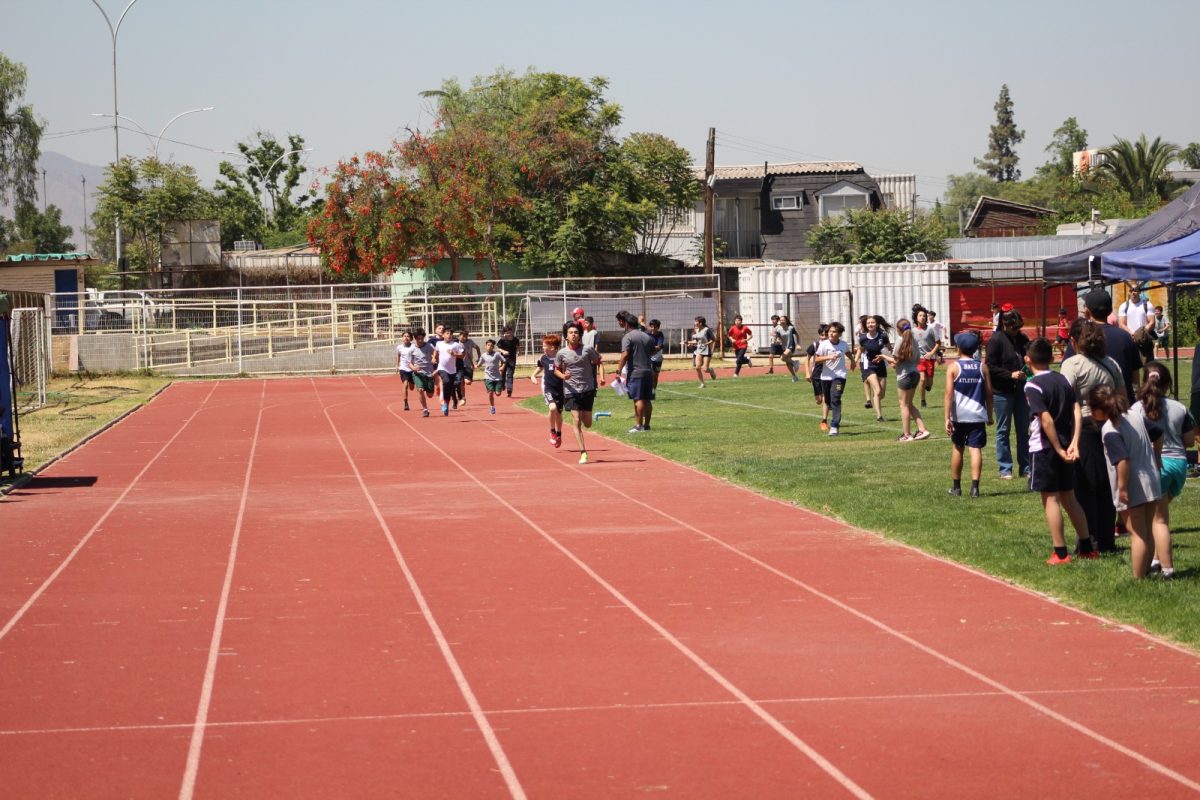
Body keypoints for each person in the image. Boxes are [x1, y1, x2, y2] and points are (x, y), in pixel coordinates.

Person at [1024, 337, 1094, 564]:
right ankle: (1086, 547)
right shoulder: (1063, 379)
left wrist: (1057, 448)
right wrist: (1073, 442)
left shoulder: (1032, 385)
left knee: (1051, 499)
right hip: (1066, 442)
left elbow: (1045, 419)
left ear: (1028, 360)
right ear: (1052, 357)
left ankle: (1060, 552)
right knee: (1070, 498)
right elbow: (1076, 409)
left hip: (1044, 448)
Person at [1061, 318, 1125, 555]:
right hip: (1110, 424)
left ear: (1074, 341)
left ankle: (1091, 540)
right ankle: (1107, 539)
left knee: (1085, 487)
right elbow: (1122, 397)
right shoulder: (1111, 363)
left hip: (1084, 427)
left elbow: (1066, 400)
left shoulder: (1072, 365)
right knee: (1108, 484)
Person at [1091, 384, 1163, 579]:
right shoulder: (1134, 415)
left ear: (1098, 410)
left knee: (1136, 534)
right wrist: (1156, 458)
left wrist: (1122, 488)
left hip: (1133, 484)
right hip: (1151, 479)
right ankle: (1146, 571)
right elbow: (1158, 432)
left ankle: (1138, 579)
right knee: (1147, 530)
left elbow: (1122, 460)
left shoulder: (1110, 429)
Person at [1135, 362, 1195, 578]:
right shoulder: (1179, 407)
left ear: (1144, 383)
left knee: (1158, 520)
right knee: (1159, 514)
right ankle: (1155, 559)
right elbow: (1189, 441)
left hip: (1156, 464)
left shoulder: (1137, 408)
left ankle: (1168, 570)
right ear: (1168, 383)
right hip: (1178, 466)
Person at [1064, 288, 1142, 402]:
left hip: (1092, 408)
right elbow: (1135, 378)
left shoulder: (1080, 338)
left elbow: (1068, 376)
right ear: (1110, 311)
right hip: (1122, 405)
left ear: (1087, 311)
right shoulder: (1125, 337)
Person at [944, 331, 992, 496]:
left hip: (959, 416)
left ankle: (956, 487)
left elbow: (948, 395)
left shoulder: (953, 367)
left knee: (958, 447)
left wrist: (946, 418)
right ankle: (975, 488)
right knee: (975, 449)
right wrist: (990, 415)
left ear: (958, 349)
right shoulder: (982, 366)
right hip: (977, 416)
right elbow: (989, 393)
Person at [985, 307, 1030, 480]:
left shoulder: (1022, 339)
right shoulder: (996, 341)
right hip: (1002, 392)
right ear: (1005, 325)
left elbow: (1030, 355)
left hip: (1021, 391)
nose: (1017, 330)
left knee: (1023, 430)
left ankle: (1025, 467)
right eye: (1014, 327)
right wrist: (1010, 375)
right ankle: (1005, 468)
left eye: (1019, 326)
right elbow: (990, 366)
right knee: (1003, 430)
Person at [554, 323, 604, 464]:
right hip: (571, 390)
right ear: (566, 336)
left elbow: (599, 362)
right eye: (570, 332)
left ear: (580, 335)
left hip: (587, 389)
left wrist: (602, 377)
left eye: (576, 332)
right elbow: (556, 369)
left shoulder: (588, 350)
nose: (573, 334)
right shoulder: (561, 353)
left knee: (587, 423)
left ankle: (584, 416)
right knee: (576, 420)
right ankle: (583, 452)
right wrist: (564, 376)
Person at [879, 318, 930, 441]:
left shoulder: (899, 341)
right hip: (915, 374)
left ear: (898, 329)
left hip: (904, 376)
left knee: (904, 405)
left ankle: (906, 435)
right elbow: (918, 360)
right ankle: (922, 430)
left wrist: (883, 356)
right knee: (909, 403)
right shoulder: (914, 341)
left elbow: (896, 360)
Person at [615, 310, 656, 433]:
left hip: (636, 373)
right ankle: (647, 426)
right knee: (647, 399)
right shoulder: (647, 336)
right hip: (648, 371)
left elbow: (625, 354)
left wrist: (618, 370)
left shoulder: (628, 337)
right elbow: (653, 351)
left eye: (620, 322)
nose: (619, 324)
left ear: (626, 323)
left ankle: (638, 426)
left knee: (638, 399)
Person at [815, 321, 854, 436]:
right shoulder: (824, 344)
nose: (831, 333)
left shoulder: (843, 344)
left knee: (836, 399)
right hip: (826, 377)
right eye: (830, 331)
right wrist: (828, 357)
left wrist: (852, 361)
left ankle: (834, 426)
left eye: (834, 331)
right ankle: (828, 418)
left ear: (839, 333)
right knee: (828, 401)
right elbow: (817, 359)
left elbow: (848, 352)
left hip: (839, 376)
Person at [531, 333, 564, 447]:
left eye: (544, 345)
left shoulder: (561, 357)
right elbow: (540, 367)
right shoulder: (543, 358)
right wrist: (533, 375)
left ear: (552, 347)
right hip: (548, 388)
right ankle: (552, 431)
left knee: (558, 413)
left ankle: (559, 434)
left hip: (560, 389)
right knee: (552, 407)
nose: (542, 347)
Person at [856, 314, 891, 422]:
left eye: (872, 322)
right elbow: (860, 349)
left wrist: (893, 358)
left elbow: (889, 348)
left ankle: (876, 401)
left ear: (876, 324)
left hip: (881, 365)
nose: (870, 324)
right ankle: (879, 416)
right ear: (866, 325)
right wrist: (855, 360)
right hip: (869, 366)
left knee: (881, 394)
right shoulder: (863, 338)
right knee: (877, 390)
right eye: (868, 323)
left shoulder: (883, 336)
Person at [913, 307, 940, 408]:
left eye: (924, 316)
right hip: (919, 359)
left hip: (930, 359)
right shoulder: (912, 331)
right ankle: (922, 400)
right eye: (920, 316)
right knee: (922, 379)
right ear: (916, 318)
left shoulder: (931, 329)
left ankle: (928, 386)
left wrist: (931, 353)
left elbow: (938, 343)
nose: (923, 317)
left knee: (929, 382)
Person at [408, 328, 438, 418]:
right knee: (420, 390)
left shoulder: (428, 346)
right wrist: (414, 368)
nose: (420, 340)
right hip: (418, 373)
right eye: (418, 339)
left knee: (430, 395)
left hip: (429, 373)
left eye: (422, 338)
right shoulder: (412, 349)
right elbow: (409, 363)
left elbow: (435, 352)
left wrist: (433, 358)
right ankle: (425, 409)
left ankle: (433, 389)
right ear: (415, 339)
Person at [435, 328, 465, 416]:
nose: (449, 335)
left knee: (449, 387)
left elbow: (462, 355)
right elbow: (436, 351)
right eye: (447, 333)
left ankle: (446, 404)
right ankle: (445, 402)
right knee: (446, 382)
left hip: (452, 370)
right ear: (443, 335)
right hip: (442, 368)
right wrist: (433, 358)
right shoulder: (439, 344)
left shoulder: (455, 345)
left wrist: (454, 354)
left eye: (451, 334)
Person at [805, 324, 830, 417]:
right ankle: (823, 401)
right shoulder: (815, 345)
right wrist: (808, 373)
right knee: (819, 400)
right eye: (822, 335)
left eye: (826, 335)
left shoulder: (832, 345)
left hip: (828, 374)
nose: (824, 337)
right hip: (816, 374)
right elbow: (807, 359)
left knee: (825, 397)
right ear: (819, 335)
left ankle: (825, 418)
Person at [688, 315, 717, 387]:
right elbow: (697, 341)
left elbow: (713, 340)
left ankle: (711, 370)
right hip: (699, 351)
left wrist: (707, 343)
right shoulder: (697, 330)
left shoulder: (707, 330)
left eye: (696, 321)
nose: (694, 323)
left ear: (700, 323)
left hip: (707, 351)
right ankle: (702, 383)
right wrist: (688, 343)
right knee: (697, 367)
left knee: (705, 369)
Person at [478, 338, 505, 415]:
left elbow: (504, 361)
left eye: (491, 346)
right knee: (490, 393)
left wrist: (502, 367)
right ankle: (492, 407)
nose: (489, 347)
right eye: (488, 345)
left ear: (493, 347)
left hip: (497, 377)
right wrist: (476, 366)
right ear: (485, 346)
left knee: (498, 394)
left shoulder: (497, 354)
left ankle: (499, 388)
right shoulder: (483, 355)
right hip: (488, 377)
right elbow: (479, 364)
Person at [456, 329, 481, 406]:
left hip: (468, 365)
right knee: (461, 383)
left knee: (468, 382)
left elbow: (477, 348)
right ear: (459, 335)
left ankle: (462, 395)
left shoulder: (470, 342)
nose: (464, 338)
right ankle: (463, 398)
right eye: (462, 336)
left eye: (465, 336)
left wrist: (479, 358)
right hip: (459, 365)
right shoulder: (456, 343)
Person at [497, 325, 520, 398]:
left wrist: (518, 351)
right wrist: (503, 351)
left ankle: (509, 389)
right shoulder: (502, 340)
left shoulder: (515, 339)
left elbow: (517, 346)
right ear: (504, 333)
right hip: (503, 359)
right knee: (503, 373)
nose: (509, 334)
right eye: (507, 332)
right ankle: (502, 385)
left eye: (510, 332)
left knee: (510, 374)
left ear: (512, 332)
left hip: (512, 359)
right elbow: (498, 348)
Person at [395, 330, 416, 412]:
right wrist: (397, 365)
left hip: (412, 369)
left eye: (408, 336)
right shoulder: (399, 347)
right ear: (402, 338)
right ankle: (406, 402)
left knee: (411, 387)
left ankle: (412, 382)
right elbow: (398, 356)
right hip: (403, 368)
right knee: (405, 384)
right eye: (404, 336)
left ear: (411, 338)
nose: (406, 338)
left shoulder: (414, 347)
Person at [777, 315, 800, 381]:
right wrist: (778, 341)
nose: (782, 321)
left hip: (791, 346)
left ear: (786, 321)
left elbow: (797, 335)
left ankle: (795, 362)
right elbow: (778, 338)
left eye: (783, 320)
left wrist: (798, 344)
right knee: (787, 362)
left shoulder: (791, 328)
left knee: (782, 358)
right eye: (781, 320)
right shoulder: (778, 329)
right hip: (784, 347)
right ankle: (794, 377)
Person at [647, 318, 665, 387]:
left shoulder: (660, 335)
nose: (653, 328)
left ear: (658, 327)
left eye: (655, 327)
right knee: (648, 374)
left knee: (655, 375)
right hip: (648, 357)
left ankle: (653, 391)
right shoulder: (646, 334)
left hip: (657, 357)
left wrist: (651, 349)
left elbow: (659, 346)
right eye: (651, 326)